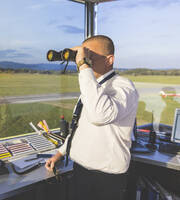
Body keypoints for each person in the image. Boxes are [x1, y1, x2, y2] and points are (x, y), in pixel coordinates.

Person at [45, 35, 139, 200]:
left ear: (109, 60)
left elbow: (99, 116)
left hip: (106, 180)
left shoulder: (124, 87)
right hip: (80, 172)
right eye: (82, 55)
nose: (83, 59)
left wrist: (83, 65)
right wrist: (59, 154)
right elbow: (79, 129)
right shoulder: (92, 89)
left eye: (90, 56)